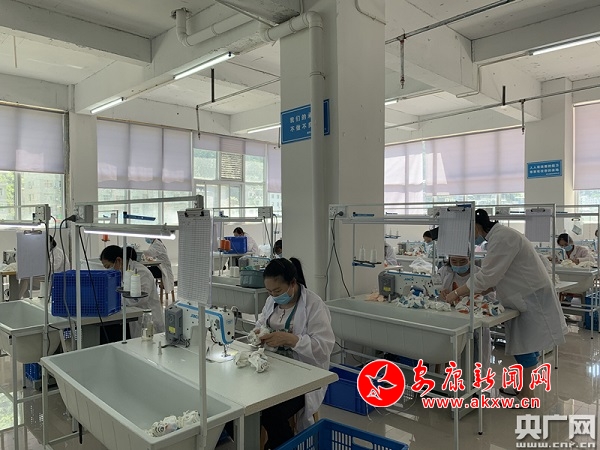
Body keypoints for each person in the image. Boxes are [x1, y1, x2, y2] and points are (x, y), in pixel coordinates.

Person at [445, 209, 567, 407]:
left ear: (476, 226)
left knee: (525, 348)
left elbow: (488, 276)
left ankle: (527, 396)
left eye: (468, 232)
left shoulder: (503, 238)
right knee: (525, 346)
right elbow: (499, 274)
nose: (469, 237)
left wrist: (456, 293)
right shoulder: (499, 237)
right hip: (523, 295)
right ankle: (524, 389)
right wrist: (479, 291)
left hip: (532, 298)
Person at [253, 258, 334, 448]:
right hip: (274, 370)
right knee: (247, 405)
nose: (273, 296)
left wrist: (291, 340)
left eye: (277, 291)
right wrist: (258, 333)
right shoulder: (271, 301)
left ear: (292, 283)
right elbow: (260, 323)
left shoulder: (313, 305)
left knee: (272, 413)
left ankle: (284, 445)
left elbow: (323, 347)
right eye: (269, 292)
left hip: (303, 377)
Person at [439, 255, 494, 364]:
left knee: (476, 359)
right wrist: (440, 291)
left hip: (475, 320)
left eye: (462, 261)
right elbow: (434, 288)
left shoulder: (480, 274)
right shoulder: (445, 272)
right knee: (453, 358)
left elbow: (492, 298)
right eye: (454, 261)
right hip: (452, 320)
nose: (458, 265)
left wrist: (475, 296)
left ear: (470, 258)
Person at [100, 246, 165, 337]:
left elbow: (136, 299)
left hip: (147, 319)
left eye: (108, 267)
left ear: (118, 260)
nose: (108, 270)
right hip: (133, 318)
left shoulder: (141, 272)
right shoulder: (122, 272)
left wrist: (114, 300)